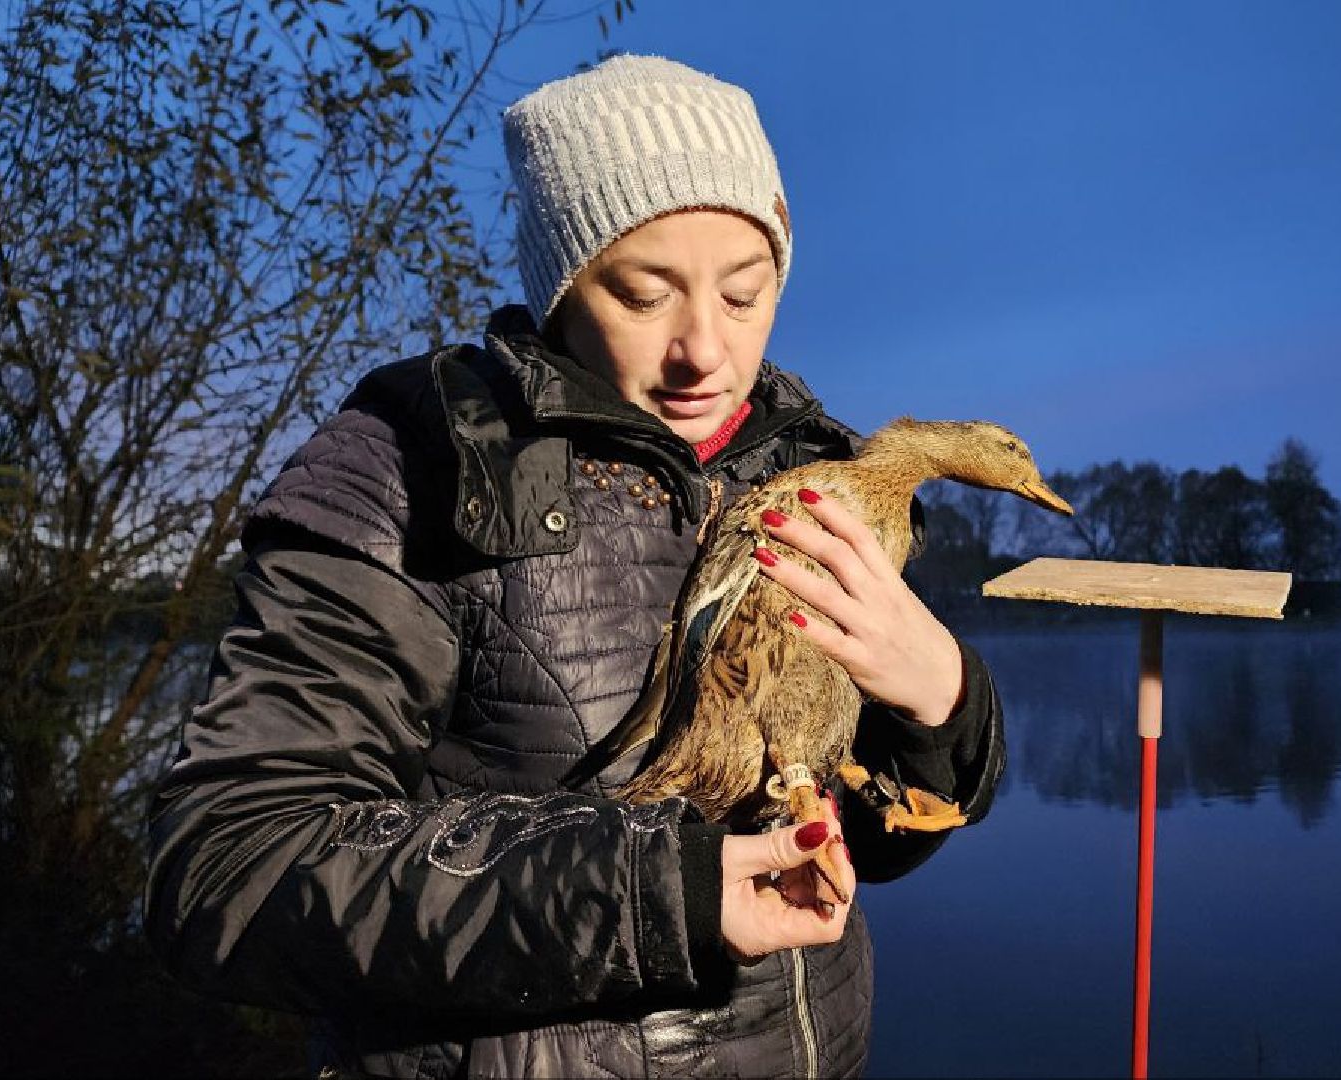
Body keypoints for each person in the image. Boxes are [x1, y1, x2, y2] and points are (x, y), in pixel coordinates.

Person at [145, 55, 1004, 1079]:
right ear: (560, 283)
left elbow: (874, 839)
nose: (705, 352)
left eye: (746, 291)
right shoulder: (409, 465)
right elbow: (227, 868)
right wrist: (657, 895)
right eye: (643, 295)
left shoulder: (815, 471)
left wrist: (941, 706)